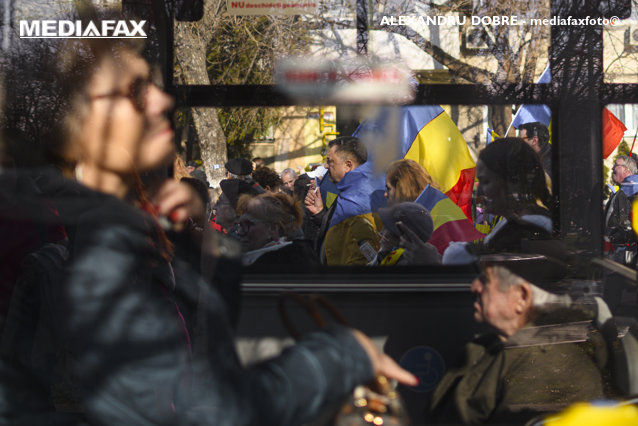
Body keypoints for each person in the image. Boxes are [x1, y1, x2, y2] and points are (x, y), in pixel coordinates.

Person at [0, 14, 416, 425]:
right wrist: (338, 357)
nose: (164, 102)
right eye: (137, 94)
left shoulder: (130, 230)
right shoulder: (108, 243)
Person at [429, 254, 608, 424]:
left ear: (522, 298)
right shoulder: (493, 345)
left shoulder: (549, 366)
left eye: (486, 281)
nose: (474, 287)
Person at [441, 138, 556, 264]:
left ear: (512, 181)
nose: (479, 193)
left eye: (486, 182)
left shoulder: (527, 231)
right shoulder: (513, 224)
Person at [304, 136, 384, 265]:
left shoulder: (357, 199)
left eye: (330, 161)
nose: (325, 165)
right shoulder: (352, 191)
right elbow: (343, 234)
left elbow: (364, 255)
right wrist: (320, 214)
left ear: (348, 165)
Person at [384, 159, 484, 256]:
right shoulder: (438, 207)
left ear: (402, 188)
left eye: (388, 188)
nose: (385, 194)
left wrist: (387, 251)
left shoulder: (425, 220)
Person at [237, 192, 318, 267]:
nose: (239, 232)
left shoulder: (281, 268)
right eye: (239, 225)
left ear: (273, 228)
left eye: (247, 225)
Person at [374, 202, 440, 266]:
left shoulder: (404, 262)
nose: (384, 234)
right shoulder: (395, 256)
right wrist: (384, 252)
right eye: (386, 226)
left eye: (393, 233)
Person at [604, 155, 638, 253]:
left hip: (625, 252)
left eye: (616, 165)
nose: (612, 168)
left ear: (626, 170)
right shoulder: (623, 190)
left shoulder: (630, 190)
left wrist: (612, 237)